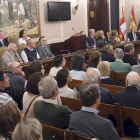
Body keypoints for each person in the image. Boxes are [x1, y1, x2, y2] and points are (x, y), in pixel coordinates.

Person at [113, 71, 140, 138]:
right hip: (136, 133)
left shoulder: (117, 95)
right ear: (138, 83)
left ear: (126, 82)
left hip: (120, 130)